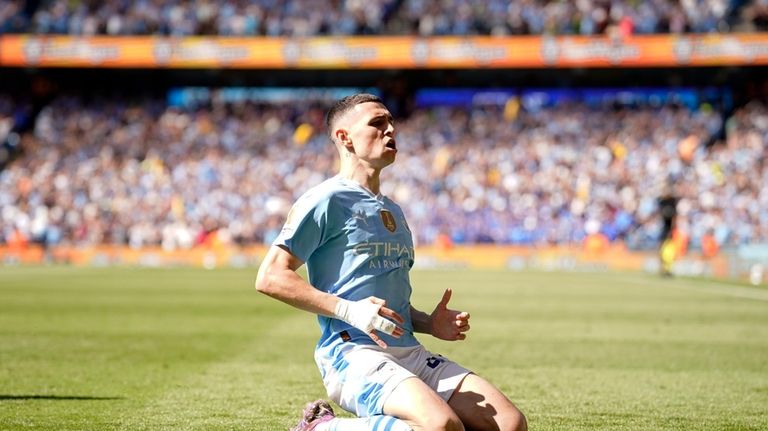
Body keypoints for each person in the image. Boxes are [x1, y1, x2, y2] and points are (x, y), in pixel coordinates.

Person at [255, 94, 527, 431]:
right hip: (353, 352)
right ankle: (320, 428)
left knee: (509, 424)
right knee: (441, 426)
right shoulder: (325, 200)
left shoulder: (393, 211)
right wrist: (348, 310)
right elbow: (270, 277)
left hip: (408, 350)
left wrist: (429, 323)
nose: (390, 130)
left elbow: (387, 302)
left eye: (391, 122)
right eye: (377, 123)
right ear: (345, 138)